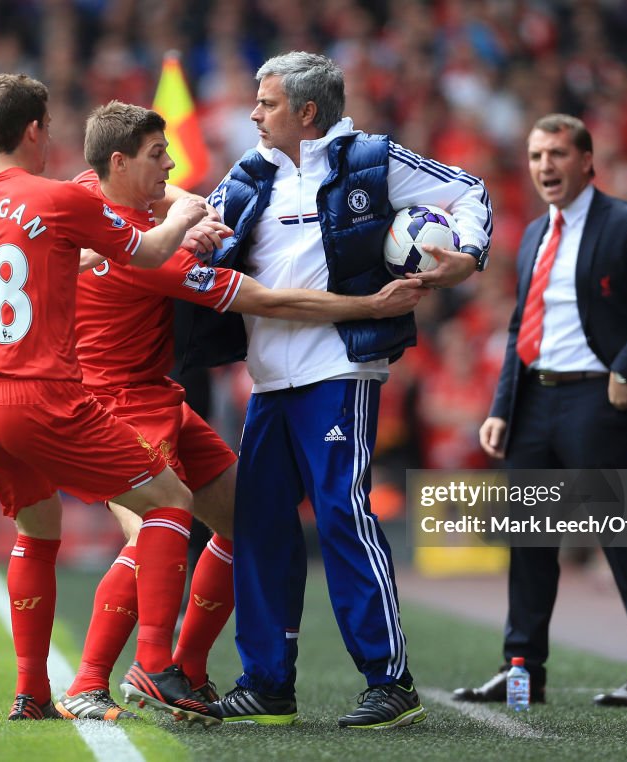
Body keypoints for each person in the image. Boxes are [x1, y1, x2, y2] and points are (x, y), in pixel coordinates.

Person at [57, 101, 427, 722]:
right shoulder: (156, 262)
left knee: (246, 519)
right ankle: (94, 681)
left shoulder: (90, 195)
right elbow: (263, 298)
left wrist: (180, 211)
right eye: (158, 156)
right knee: (156, 529)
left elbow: (158, 194)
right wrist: (368, 308)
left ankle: (190, 671)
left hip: (157, 397)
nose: (171, 166)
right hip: (112, 408)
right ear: (119, 164)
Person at [186, 51, 493, 728]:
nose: (253, 114)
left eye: (265, 104)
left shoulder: (373, 160)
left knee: (341, 512)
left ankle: (390, 680)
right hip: (267, 381)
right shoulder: (244, 177)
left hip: (341, 372)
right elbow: (189, 245)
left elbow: (469, 190)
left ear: (306, 112)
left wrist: (463, 258)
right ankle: (267, 683)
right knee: (260, 525)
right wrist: (194, 236)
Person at [0, 73, 210, 722]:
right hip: (42, 394)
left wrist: (83, 262)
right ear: (34, 130)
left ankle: (30, 691)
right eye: (50, 125)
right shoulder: (56, 198)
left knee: (38, 529)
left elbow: (35, 271)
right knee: (171, 502)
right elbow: (146, 254)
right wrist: (184, 213)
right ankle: (155, 665)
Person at [454, 113, 627, 708]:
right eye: (538, 156)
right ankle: (522, 673)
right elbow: (521, 326)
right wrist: (502, 406)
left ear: (587, 161)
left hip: (598, 399)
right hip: (535, 402)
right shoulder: (536, 233)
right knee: (529, 541)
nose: (546, 167)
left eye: (558, 154)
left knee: (621, 537)